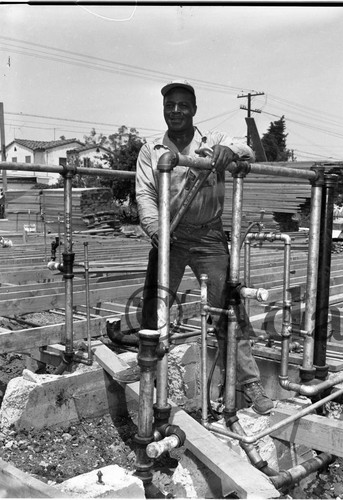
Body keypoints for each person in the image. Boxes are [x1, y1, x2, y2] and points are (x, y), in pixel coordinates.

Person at [136, 80, 274, 415]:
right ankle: (149, 377)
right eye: (170, 106)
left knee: (226, 307)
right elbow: (145, 195)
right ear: (164, 110)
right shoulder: (152, 150)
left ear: (194, 110)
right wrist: (158, 233)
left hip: (209, 237)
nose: (176, 111)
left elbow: (248, 151)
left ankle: (248, 381)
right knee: (154, 306)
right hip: (171, 234)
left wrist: (228, 154)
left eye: (183, 105)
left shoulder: (213, 141)